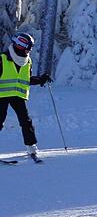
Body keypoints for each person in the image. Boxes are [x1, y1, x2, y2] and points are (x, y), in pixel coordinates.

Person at [0, 32, 52, 160]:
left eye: (30, 47)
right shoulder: (2, 58)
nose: (29, 49)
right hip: (2, 95)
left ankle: (31, 147)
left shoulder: (27, 61)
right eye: (27, 46)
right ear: (19, 44)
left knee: (25, 120)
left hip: (18, 95)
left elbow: (26, 79)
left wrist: (40, 80)